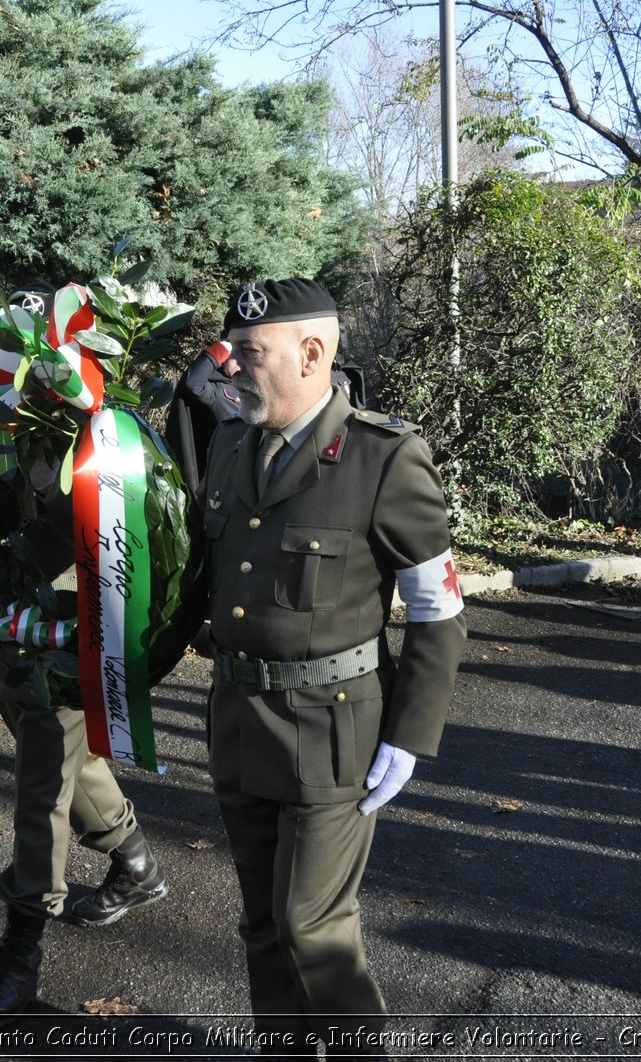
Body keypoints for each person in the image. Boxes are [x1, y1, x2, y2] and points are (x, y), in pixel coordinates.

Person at [200, 278, 466, 1055]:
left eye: (251, 353)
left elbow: (438, 609)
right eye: (233, 352)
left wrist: (409, 735)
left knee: (310, 926)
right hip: (241, 724)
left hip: (332, 733)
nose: (233, 368)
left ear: (313, 353)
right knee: (260, 923)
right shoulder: (229, 444)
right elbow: (205, 583)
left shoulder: (384, 458)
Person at [0, 497, 169, 1016]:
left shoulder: (111, 431)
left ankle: (19, 956)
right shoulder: (4, 419)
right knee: (71, 765)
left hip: (73, 639)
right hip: (3, 634)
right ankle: (136, 863)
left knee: (41, 797)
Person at [164, 335, 241, 493]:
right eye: (235, 355)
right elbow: (193, 384)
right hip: (218, 471)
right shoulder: (218, 389)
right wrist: (224, 347)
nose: (240, 363)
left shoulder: (253, 389)